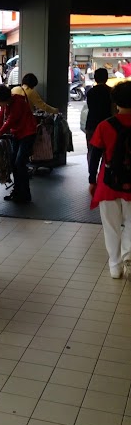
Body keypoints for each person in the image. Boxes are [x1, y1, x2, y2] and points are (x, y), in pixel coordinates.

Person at [89, 80, 131, 279]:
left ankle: (115, 266)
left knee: (111, 226)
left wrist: (91, 180)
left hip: (108, 183)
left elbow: (94, 155)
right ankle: (128, 255)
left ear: (115, 102)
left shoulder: (105, 126)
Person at [0, 84, 37, 203]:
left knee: (19, 163)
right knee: (13, 163)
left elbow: (8, 124)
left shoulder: (18, 103)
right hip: (18, 134)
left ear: (3, 98)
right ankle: (17, 192)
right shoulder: (6, 103)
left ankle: (25, 194)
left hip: (28, 134)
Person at [85, 68, 112, 151]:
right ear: (106, 78)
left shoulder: (90, 92)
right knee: (107, 152)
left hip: (91, 124)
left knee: (92, 152)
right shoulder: (111, 92)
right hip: (107, 124)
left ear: (95, 78)